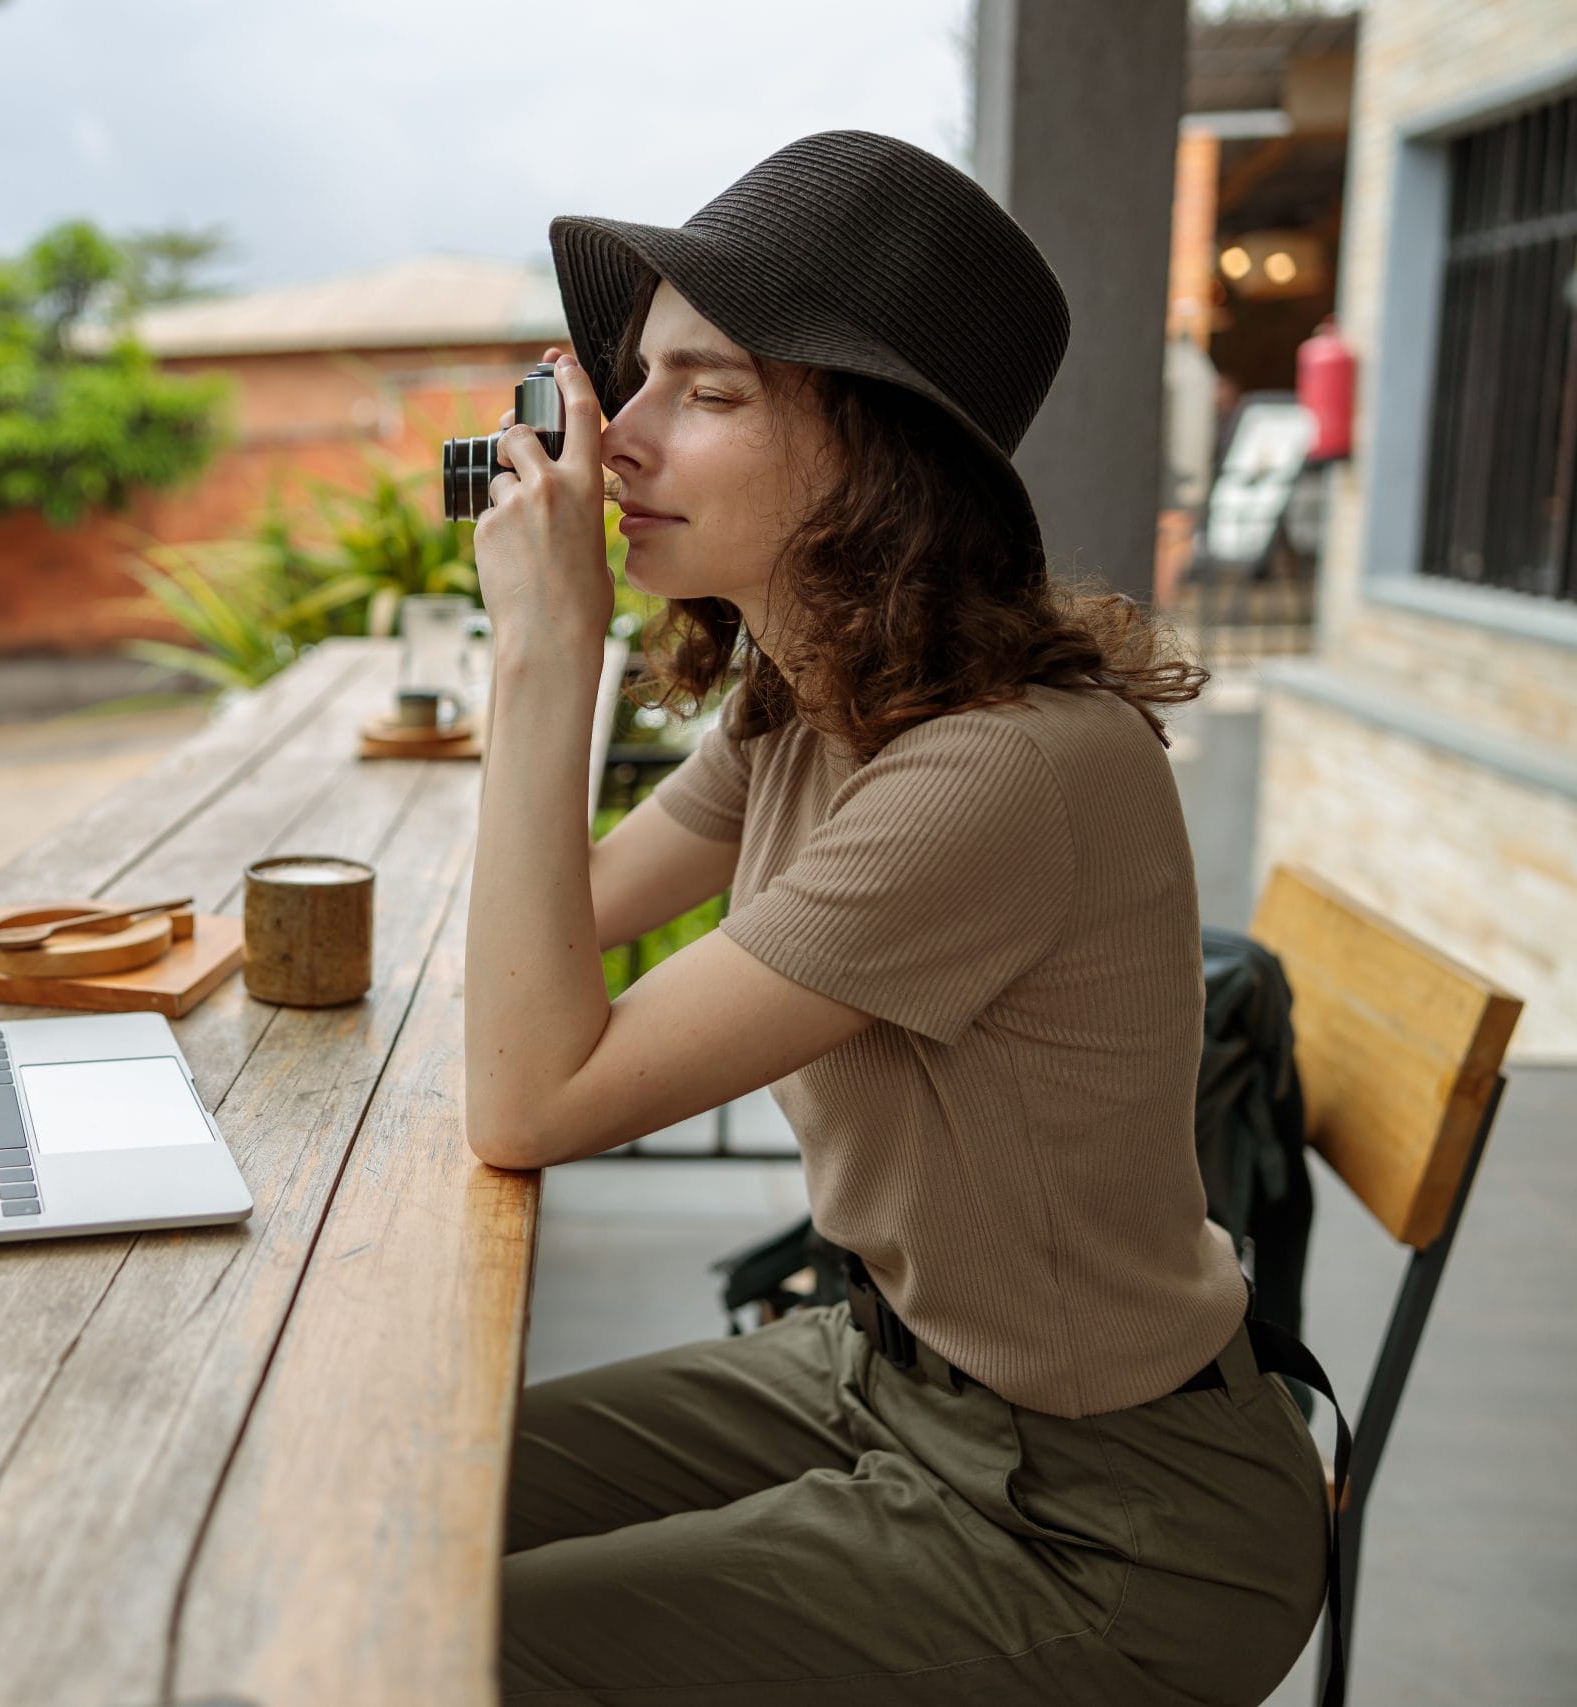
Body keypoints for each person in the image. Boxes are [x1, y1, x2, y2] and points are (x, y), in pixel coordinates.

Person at [462, 131, 1330, 1706]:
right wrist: (542, 657)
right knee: (416, 1487)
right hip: (878, 1374)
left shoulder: (1000, 773)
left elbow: (533, 1094)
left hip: (1112, 1525)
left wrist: (546, 660)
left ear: (879, 455)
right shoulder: (806, 703)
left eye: (709, 391)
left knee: (447, 1642)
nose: (629, 440)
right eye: (631, 382)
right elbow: (565, 919)